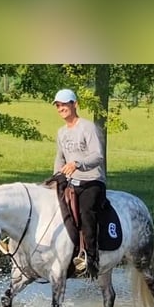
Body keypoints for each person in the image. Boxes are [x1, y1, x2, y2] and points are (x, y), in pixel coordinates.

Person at [52, 88, 106, 279]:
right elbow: (59, 159)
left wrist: (77, 164)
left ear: (75, 104)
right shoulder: (61, 132)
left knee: (85, 212)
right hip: (70, 181)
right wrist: (55, 178)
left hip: (91, 180)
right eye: (58, 105)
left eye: (65, 104)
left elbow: (97, 156)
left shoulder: (87, 127)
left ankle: (90, 258)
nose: (61, 108)